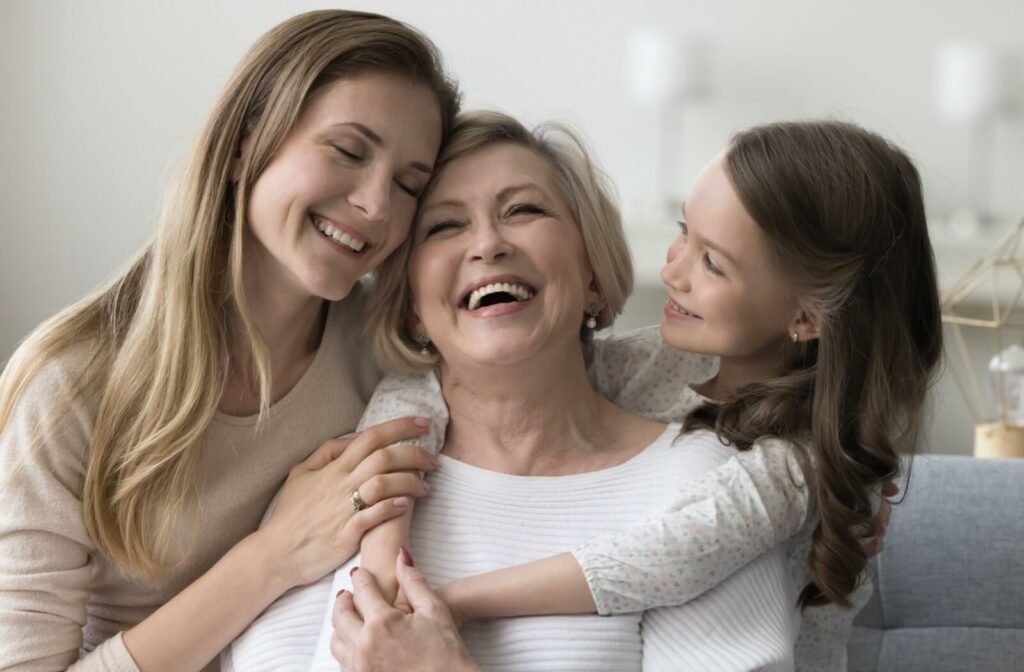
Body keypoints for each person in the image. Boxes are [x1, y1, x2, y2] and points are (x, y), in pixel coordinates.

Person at [229, 111, 862, 672]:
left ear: (591, 272)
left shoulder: (702, 483)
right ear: (411, 307)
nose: (488, 244)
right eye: (444, 227)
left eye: (523, 210)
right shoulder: (340, 489)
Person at [0, 10, 462, 671]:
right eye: (349, 151)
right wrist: (272, 558)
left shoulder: (391, 356)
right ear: (247, 141)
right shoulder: (68, 383)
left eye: (409, 185)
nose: (377, 205)